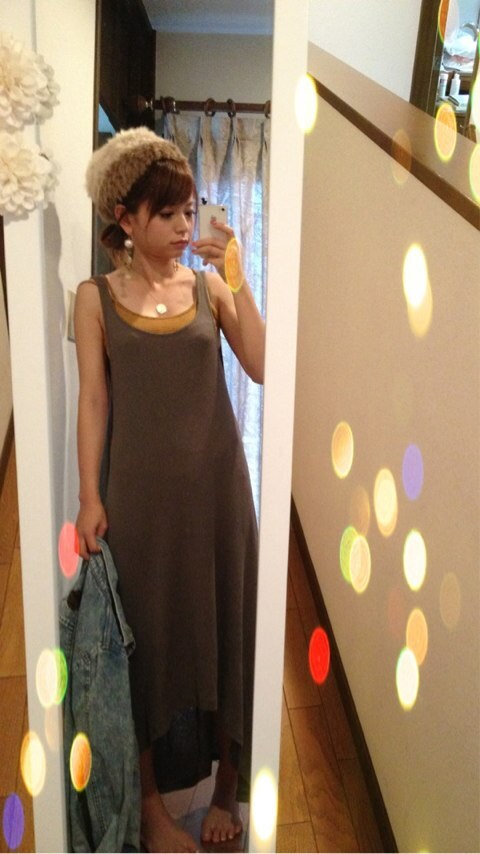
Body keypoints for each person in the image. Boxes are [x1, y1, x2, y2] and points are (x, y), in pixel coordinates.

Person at [74, 126, 265, 853]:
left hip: (218, 494)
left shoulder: (209, 287)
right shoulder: (95, 298)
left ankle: (226, 786)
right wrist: (90, 497)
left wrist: (237, 275)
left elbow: (262, 366)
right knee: (146, 645)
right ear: (124, 218)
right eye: (169, 213)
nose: (187, 226)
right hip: (139, 504)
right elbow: (95, 400)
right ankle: (151, 807)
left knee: (226, 623)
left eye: (190, 210)